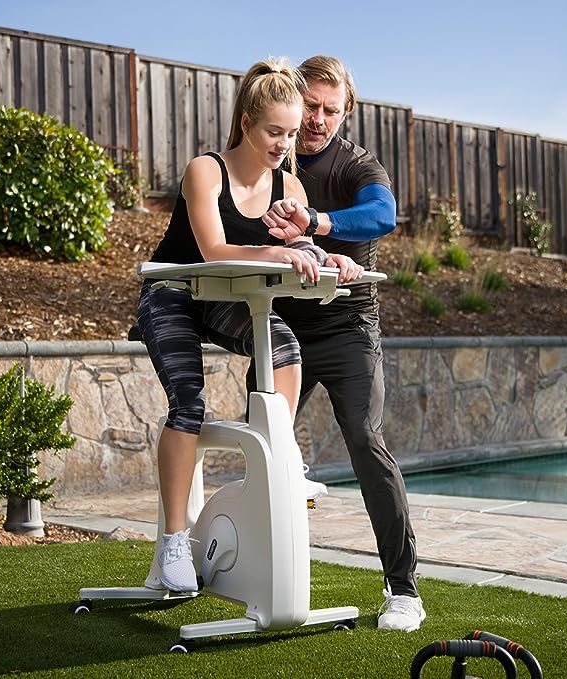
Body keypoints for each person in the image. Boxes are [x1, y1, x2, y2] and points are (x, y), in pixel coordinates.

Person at [136, 57, 361, 594]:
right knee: (187, 404)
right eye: (274, 131)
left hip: (222, 301)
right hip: (172, 295)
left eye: (290, 132)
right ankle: (172, 543)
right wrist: (278, 250)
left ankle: (276, 458)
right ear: (246, 125)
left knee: (285, 346)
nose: (285, 143)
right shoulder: (206, 170)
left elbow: (301, 248)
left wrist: (330, 260)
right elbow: (213, 250)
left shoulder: (291, 185)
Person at [258, 55, 426, 631]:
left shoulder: (358, 164)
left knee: (364, 438)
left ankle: (403, 591)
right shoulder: (270, 158)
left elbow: (383, 215)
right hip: (286, 330)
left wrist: (318, 223)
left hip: (350, 328)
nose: (317, 119)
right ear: (292, 99)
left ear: (346, 112)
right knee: (262, 442)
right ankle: (246, 571)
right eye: (310, 105)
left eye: (331, 110)